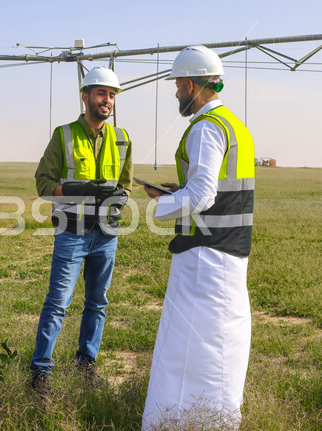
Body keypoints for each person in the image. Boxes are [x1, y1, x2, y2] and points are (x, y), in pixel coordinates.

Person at [141, 45, 255, 429]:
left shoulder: (205, 128)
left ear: (191, 85)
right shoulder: (233, 124)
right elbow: (219, 188)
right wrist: (182, 189)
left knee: (190, 351)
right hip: (227, 254)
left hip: (206, 259)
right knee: (215, 347)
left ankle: (184, 422)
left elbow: (203, 195)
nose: (175, 93)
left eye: (177, 85)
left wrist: (161, 203)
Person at [30, 66, 134, 395]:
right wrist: (77, 190)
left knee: (97, 303)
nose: (107, 100)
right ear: (85, 96)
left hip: (106, 235)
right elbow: (43, 184)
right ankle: (40, 372)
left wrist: (118, 198)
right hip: (72, 234)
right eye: (102, 93)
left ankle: (86, 364)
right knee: (57, 303)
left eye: (112, 95)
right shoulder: (63, 135)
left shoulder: (123, 139)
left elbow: (126, 186)